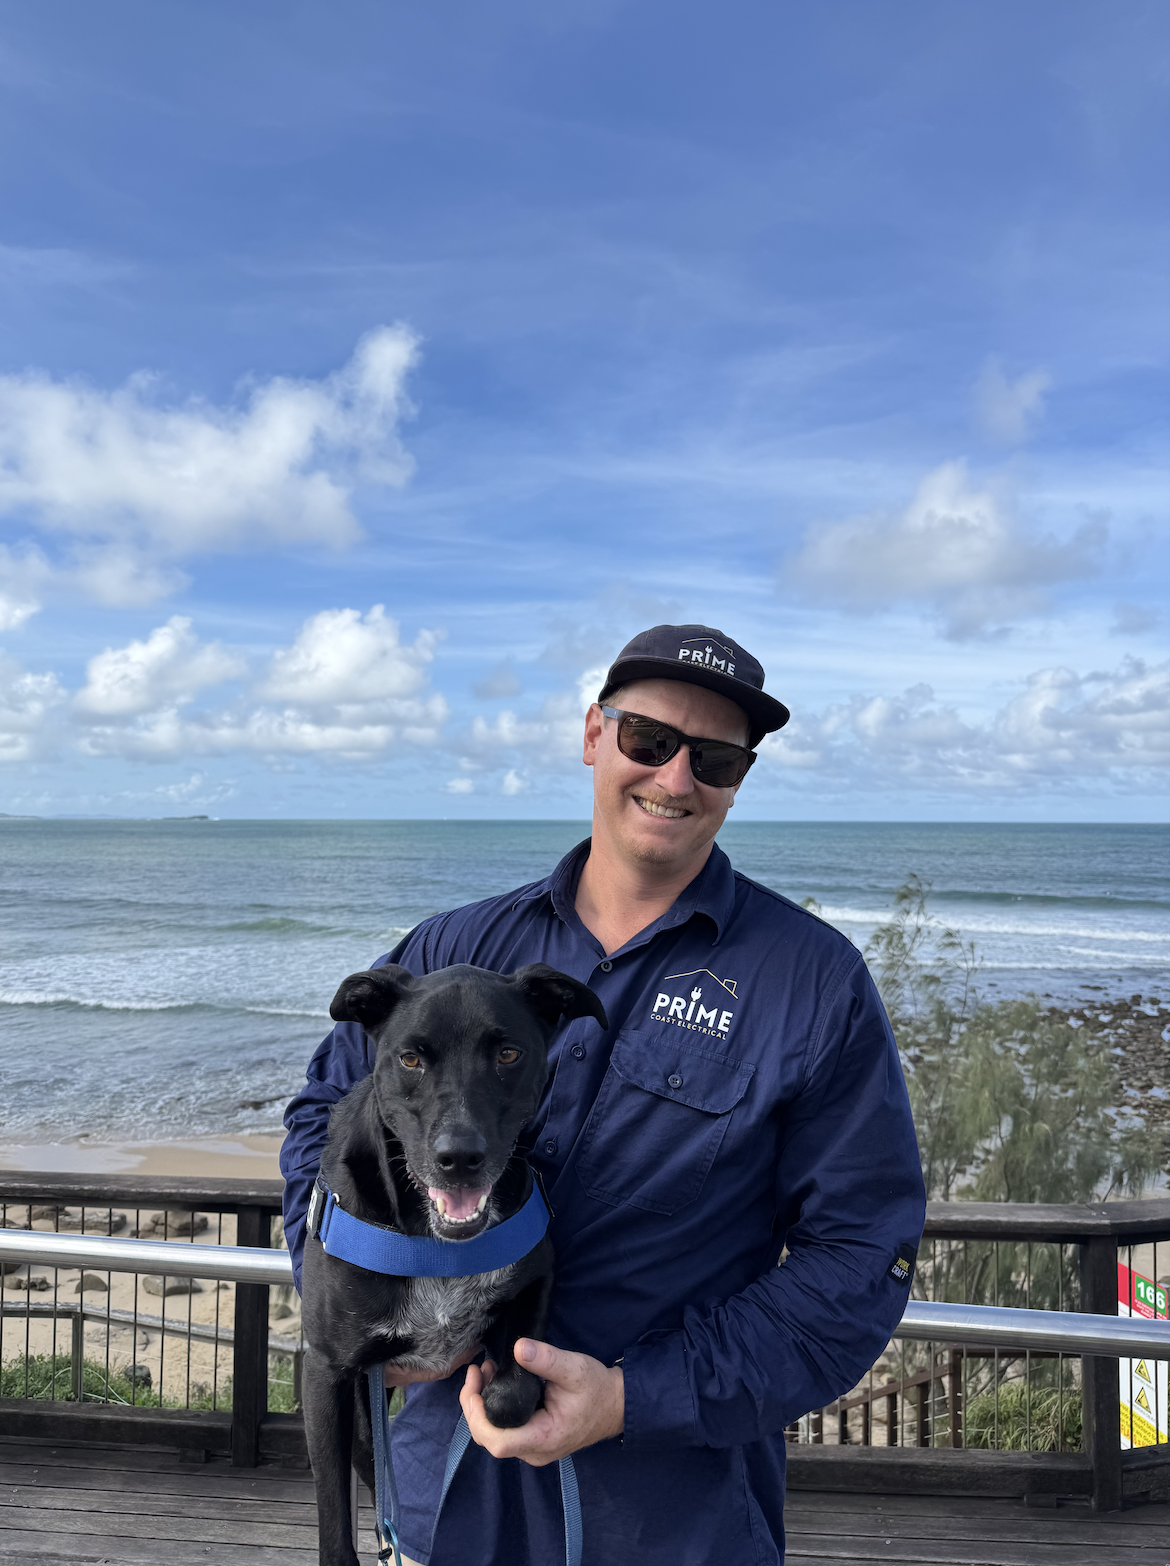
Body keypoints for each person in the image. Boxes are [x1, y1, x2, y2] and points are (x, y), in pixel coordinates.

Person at [281, 623, 926, 1566]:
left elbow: (861, 1259)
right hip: (434, 1515)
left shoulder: (812, 985)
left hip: (672, 1528)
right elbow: (322, 1114)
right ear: (594, 734)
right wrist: (352, 1306)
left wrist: (634, 1398)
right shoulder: (451, 948)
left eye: (713, 759)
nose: (675, 778)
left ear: (740, 778)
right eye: (648, 740)